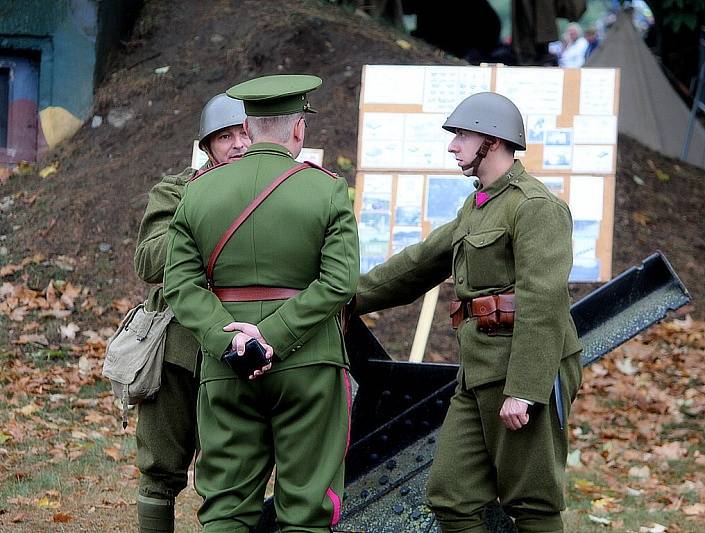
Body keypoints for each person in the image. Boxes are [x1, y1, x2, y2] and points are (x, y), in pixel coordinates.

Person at [353, 92, 583, 533]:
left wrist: (526, 388)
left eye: (462, 134)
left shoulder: (534, 207)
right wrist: (346, 298)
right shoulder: (478, 205)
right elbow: (419, 263)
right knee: (451, 497)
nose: (452, 146)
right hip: (477, 371)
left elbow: (543, 302)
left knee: (531, 503)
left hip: (520, 369)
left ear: (493, 141)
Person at [163, 74, 359, 533]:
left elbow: (180, 283)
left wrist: (229, 341)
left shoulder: (197, 191)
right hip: (308, 363)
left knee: (226, 508)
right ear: (297, 129)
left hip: (227, 364)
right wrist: (272, 335)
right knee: (307, 509)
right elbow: (339, 282)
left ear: (247, 130)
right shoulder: (327, 189)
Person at [133, 93, 250, 533]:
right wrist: (204, 214)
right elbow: (148, 262)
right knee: (159, 467)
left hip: (242, 346)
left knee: (229, 473)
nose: (238, 144)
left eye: (244, 133)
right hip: (179, 349)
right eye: (225, 137)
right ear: (207, 147)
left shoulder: (274, 192)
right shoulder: (176, 190)